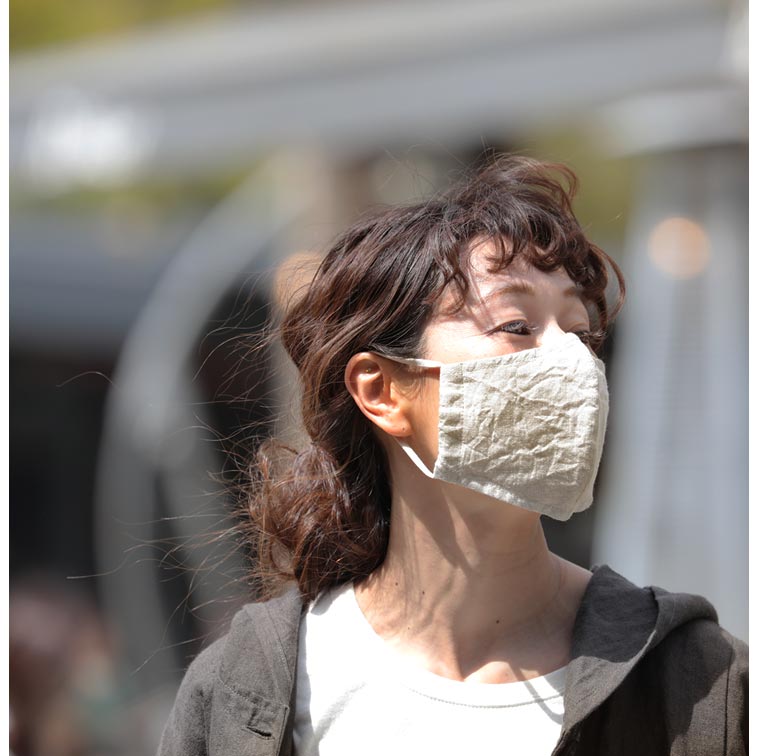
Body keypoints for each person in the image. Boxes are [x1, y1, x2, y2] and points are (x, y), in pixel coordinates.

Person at [158, 156, 748, 755]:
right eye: (517, 325)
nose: (571, 361)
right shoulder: (250, 689)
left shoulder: (697, 683)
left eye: (579, 331)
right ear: (381, 392)